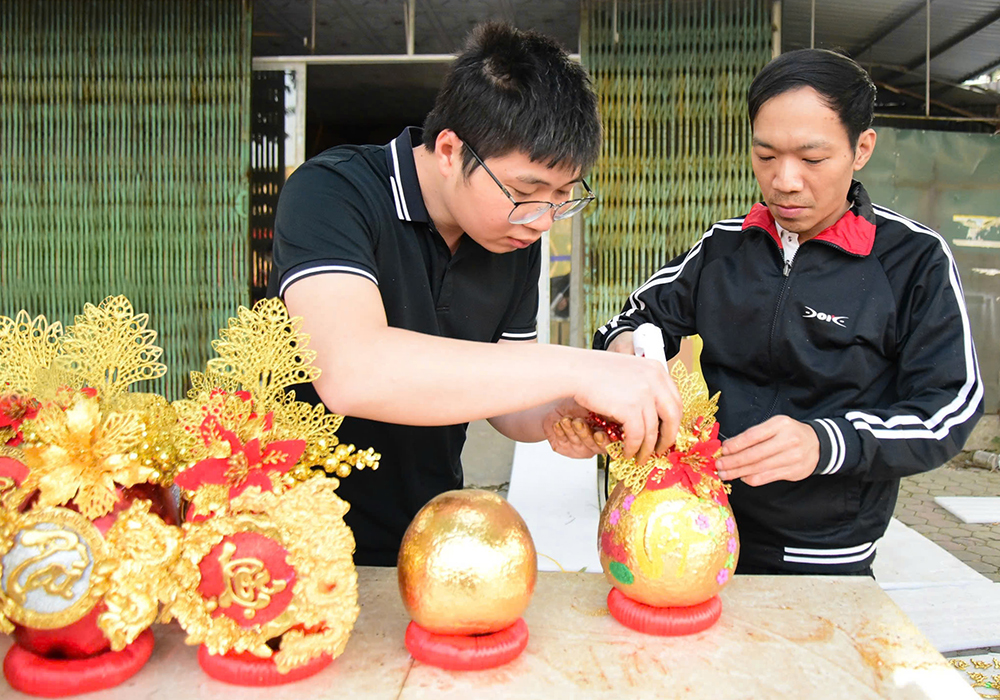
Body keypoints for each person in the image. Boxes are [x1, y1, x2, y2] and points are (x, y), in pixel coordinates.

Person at [267, 22, 682, 566]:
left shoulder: (512, 237)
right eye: (525, 192)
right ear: (448, 150)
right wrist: (581, 369)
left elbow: (510, 404)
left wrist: (572, 410)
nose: (542, 220)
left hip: (431, 533)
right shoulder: (332, 193)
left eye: (562, 198)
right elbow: (352, 372)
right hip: (297, 539)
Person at [593, 49, 984, 576]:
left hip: (824, 553)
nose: (785, 180)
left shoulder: (912, 259)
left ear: (861, 148)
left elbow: (950, 406)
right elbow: (631, 319)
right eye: (765, 155)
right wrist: (625, 353)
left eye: (813, 158)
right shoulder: (724, 248)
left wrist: (826, 442)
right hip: (696, 526)